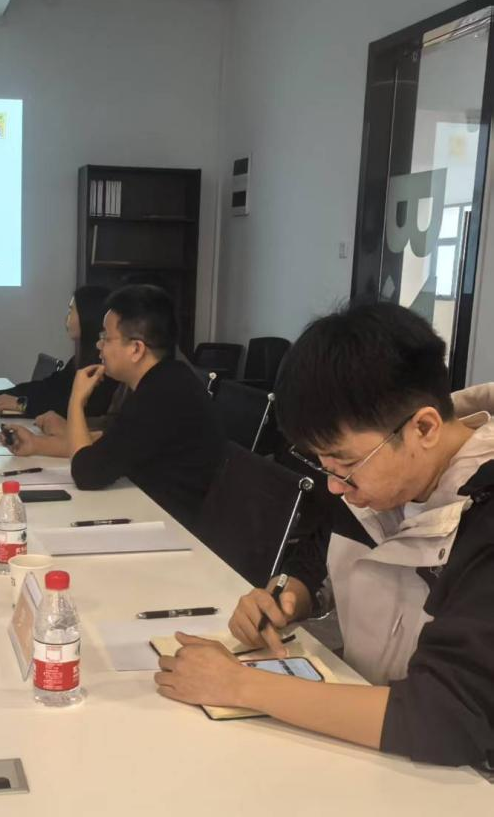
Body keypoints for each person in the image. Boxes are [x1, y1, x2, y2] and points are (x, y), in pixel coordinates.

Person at [155, 302, 494, 768]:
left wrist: (240, 685)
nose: (335, 486)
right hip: (373, 739)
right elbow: (320, 556)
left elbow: (446, 716)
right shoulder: (379, 477)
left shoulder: (482, 519)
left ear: (424, 428)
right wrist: (291, 596)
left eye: (345, 463)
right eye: (323, 464)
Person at [8, 284, 223, 526]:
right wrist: (37, 444)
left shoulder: (162, 394)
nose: (99, 346)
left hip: (173, 525)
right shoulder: (165, 379)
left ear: (136, 349)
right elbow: (108, 446)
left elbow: (87, 473)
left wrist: (76, 401)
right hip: (149, 508)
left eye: (106, 338)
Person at [0, 286, 118, 422]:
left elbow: (83, 410)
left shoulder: (105, 366)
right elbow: (47, 388)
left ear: (88, 316)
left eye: (71, 310)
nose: (67, 317)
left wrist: (23, 405)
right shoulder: (79, 360)